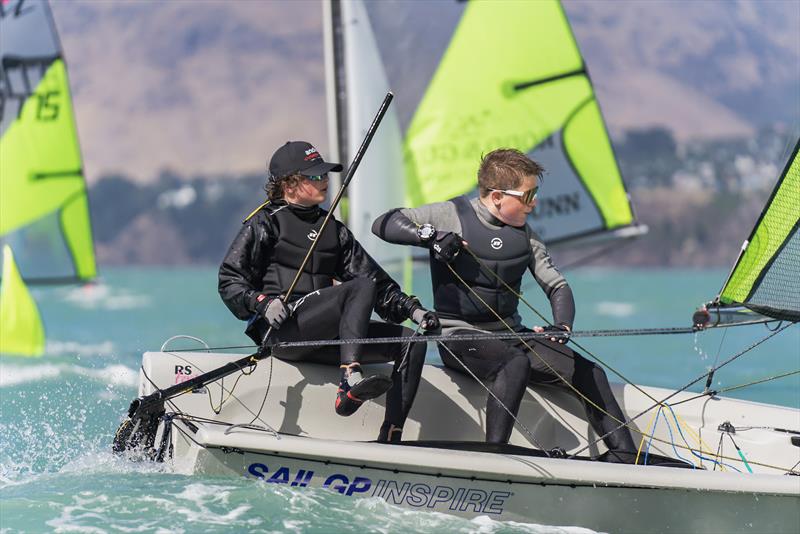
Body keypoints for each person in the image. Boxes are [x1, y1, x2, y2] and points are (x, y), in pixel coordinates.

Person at [372, 148, 636, 459]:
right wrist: (430, 236)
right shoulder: (451, 215)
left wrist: (562, 325)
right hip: (459, 337)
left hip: (513, 335)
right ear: (497, 196)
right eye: (528, 195)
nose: (534, 202)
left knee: (590, 372)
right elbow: (384, 223)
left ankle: (627, 457)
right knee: (514, 364)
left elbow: (557, 286)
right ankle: (495, 455)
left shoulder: (526, 236)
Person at [219, 141, 438, 442]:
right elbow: (230, 280)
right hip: (285, 333)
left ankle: (392, 435)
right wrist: (262, 303)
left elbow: (375, 281)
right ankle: (349, 381)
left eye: (325, 175)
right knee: (359, 287)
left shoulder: (332, 229)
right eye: (315, 176)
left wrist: (414, 310)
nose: (325, 181)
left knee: (410, 343)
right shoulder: (264, 222)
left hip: (326, 337)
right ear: (290, 184)